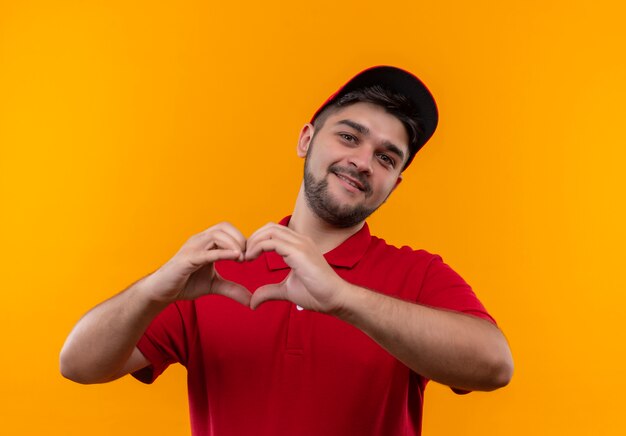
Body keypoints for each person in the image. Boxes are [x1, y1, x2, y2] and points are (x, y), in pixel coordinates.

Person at [60, 66, 513, 436]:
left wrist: (343, 298)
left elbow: (494, 365)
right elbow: (77, 364)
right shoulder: (217, 274)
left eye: (386, 158)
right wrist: (154, 290)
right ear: (306, 139)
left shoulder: (417, 274)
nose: (362, 162)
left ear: (394, 183)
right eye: (350, 137)